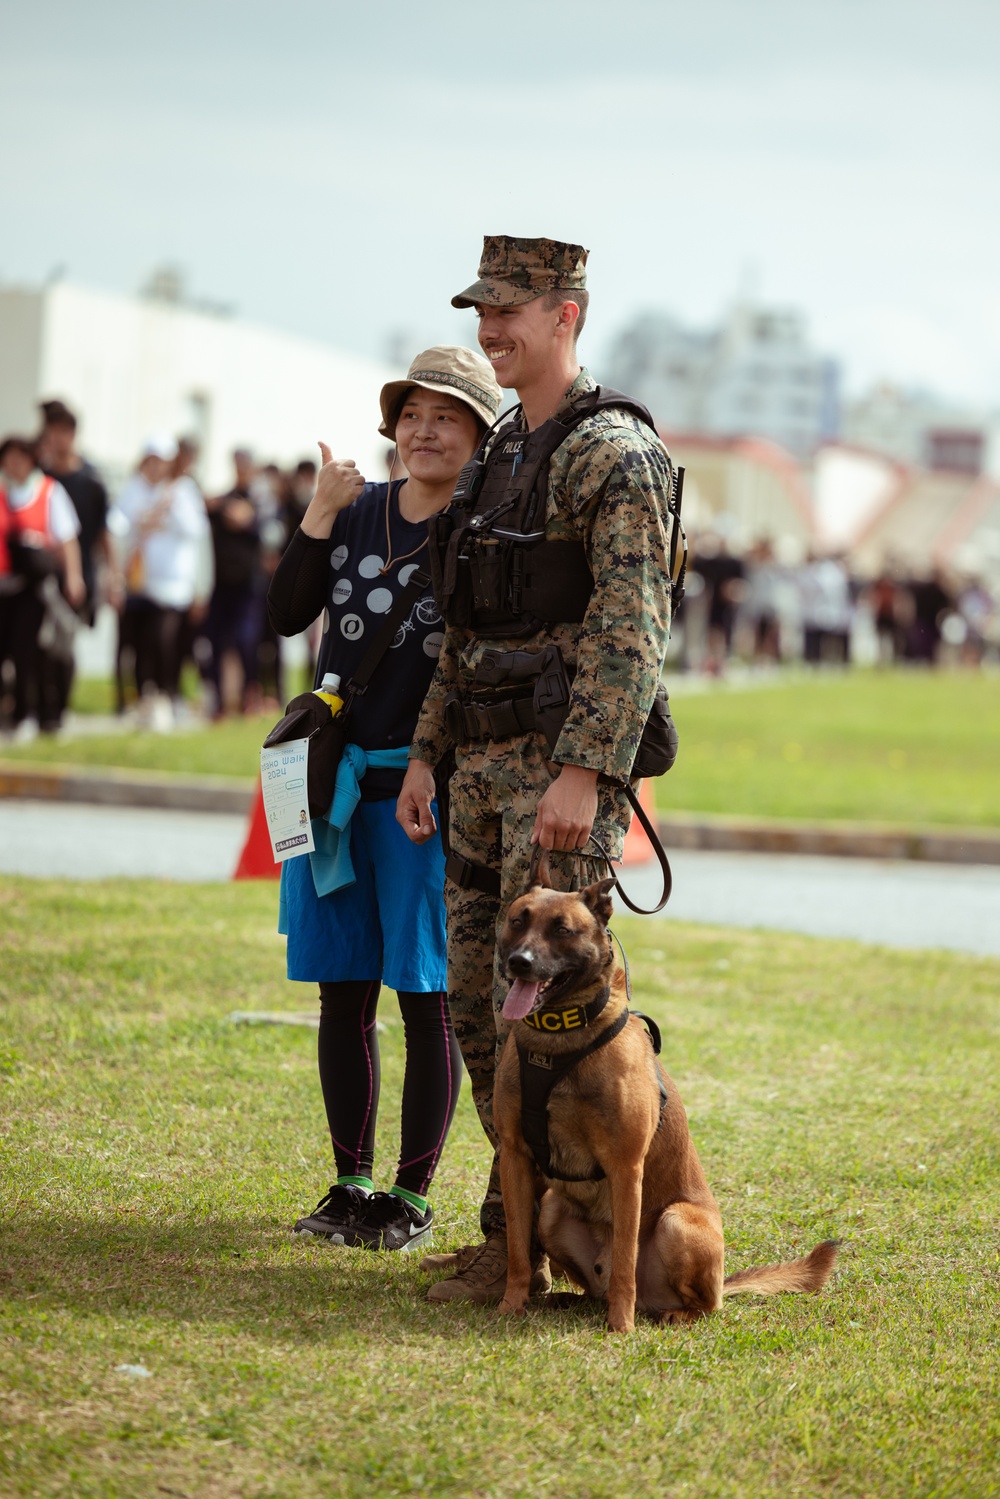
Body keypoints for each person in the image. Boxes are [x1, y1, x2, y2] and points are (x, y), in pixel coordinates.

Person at [396, 235, 677, 1302]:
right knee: (477, 1002)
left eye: (508, 309)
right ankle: (517, 1226)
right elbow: (459, 625)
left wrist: (583, 770)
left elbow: (630, 628)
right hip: (473, 771)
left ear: (567, 313)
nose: (489, 328)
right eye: (482, 309)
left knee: (565, 1018)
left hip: (556, 781)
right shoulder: (503, 446)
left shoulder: (615, 452)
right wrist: (428, 752)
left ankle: (583, 1236)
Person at [267, 345, 502, 1252]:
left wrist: (432, 767)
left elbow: (474, 667)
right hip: (329, 787)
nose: (425, 429)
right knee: (342, 992)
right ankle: (348, 1182)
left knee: (425, 996)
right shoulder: (357, 511)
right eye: (412, 413)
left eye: (447, 415)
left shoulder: (481, 529)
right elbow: (289, 611)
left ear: (478, 434)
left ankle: (409, 1195)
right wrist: (319, 513)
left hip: (420, 794)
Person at [113, 436, 209, 729]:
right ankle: (145, 699)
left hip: (174, 586)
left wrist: (169, 509)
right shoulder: (134, 488)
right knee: (140, 645)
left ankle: (168, 696)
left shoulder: (182, 491)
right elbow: (118, 526)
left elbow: (195, 530)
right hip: (141, 583)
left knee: (165, 641)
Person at [0, 435, 85, 735]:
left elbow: (66, 539)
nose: (14, 464)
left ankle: (26, 714)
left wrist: (73, 576)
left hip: (32, 588)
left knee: (26, 651)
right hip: (2, 586)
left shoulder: (48, 491)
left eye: (20, 458)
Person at [204, 450, 264, 716]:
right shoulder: (223, 501)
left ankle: (249, 695)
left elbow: (270, 531)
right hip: (220, 586)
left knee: (247, 642)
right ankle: (218, 700)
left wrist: (248, 519)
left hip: (249, 588)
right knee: (215, 643)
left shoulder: (261, 502)